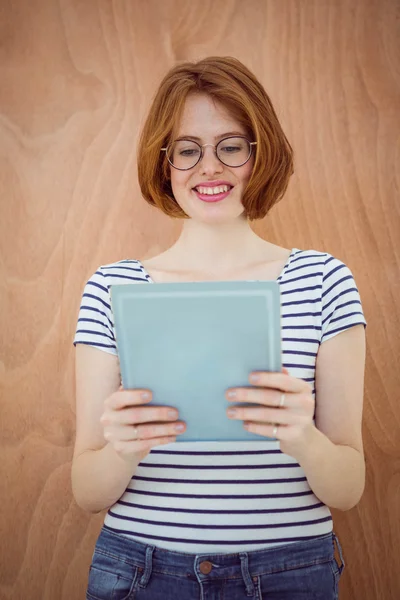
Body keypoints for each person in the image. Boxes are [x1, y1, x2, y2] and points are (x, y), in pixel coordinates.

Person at [72, 56, 367, 599]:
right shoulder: (112, 289)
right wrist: (121, 449)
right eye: (187, 150)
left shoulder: (325, 279)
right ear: (164, 164)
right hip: (141, 571)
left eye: (231, 146)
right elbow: (87, 492)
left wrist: (303, 436)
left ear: (262, 153)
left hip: (290, 573)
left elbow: (348, 488)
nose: (209, 167)